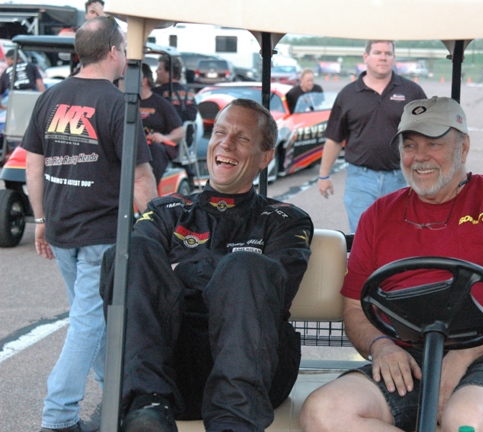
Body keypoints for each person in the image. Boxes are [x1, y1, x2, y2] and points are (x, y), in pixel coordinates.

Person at [301, 96, 483, 432]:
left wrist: (462, 357)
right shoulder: (378, 216)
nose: (419, 157)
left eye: (434, 144)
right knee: (323, 412)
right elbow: (354, 307)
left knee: (467, 422)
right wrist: (382, 347)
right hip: (410, 357)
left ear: (463, 148)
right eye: (410, 145)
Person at [100, 98, 314, 432]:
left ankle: (234, 422)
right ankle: (147, 406)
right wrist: (218, 275)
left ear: (266, 156)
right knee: (129, 251)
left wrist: (178, 274)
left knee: (245, 267)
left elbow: (276, 290)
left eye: (242, 138)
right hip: (171, 369)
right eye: (221, 133)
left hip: (253, 373)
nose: (226, 143)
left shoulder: (286, 220)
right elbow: (137, 272)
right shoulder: (165, 210)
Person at [22, 16, 157, 432]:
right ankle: (59, 417)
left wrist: (40, 219)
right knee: (88, 322)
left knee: (91, 319)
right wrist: (159, 230)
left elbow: (33, 163)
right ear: (116, 51)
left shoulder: (51, 97)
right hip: (101, 234)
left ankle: (115, 393)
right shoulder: (119, 104)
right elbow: (139, 179)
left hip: (62, 228)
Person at [317, 40, 426, 233]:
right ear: (366, 57)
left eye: (388, 53)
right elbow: (334, 138)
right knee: (362, 236)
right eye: (377, 52)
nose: (383, 57)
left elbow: (426, 133)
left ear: (394, 58)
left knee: (396, 236)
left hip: (399, 178)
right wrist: (324, 175)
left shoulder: (411, 92)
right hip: (360, 178)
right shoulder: (348, 94)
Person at [140, 63, 184, 184]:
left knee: (154, 150)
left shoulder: (161, 104)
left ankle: (150, 188)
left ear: (144, 80)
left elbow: (180, 131)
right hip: (132, 145)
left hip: (154, 146)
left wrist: (165, 137)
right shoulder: (125, 103)